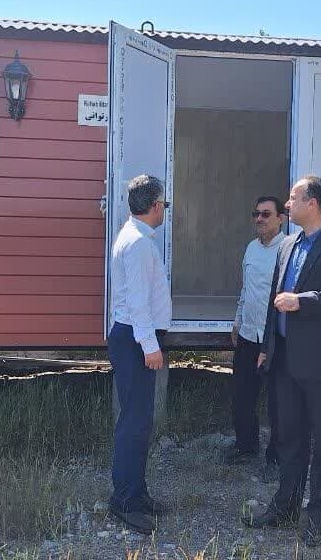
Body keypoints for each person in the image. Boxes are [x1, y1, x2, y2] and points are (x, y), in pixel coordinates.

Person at [241, 176, 321, 548]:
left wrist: (303, 301)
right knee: (289, 439)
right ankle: (286, 507)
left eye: (293, 198)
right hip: (285, 361)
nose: (287, 204)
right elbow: (274, 300)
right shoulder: (287, 245)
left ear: (313, 203)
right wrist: (267, 345)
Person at [107, 174, 172, 535]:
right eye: (164, 204)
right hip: (134, 339)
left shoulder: (137, 237)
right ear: (155, 206)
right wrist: (150, 346)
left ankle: (137, 492)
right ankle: (125, 502)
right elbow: (137, 304)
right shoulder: (138, 243)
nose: (164, 210)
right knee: (134, 423)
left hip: (134, 338)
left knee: (139, 421)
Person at [226, 196, 287, 475]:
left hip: (274, 339)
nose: (259, 219)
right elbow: (246, 289)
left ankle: (277, 457)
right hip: (248, 335)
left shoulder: (287, 250)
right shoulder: (251, 248)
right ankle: (246, 446)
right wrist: (238, 321)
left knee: (277, 401)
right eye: (256, 214)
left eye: (266, 214)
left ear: (280, 219)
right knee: (242, 395)